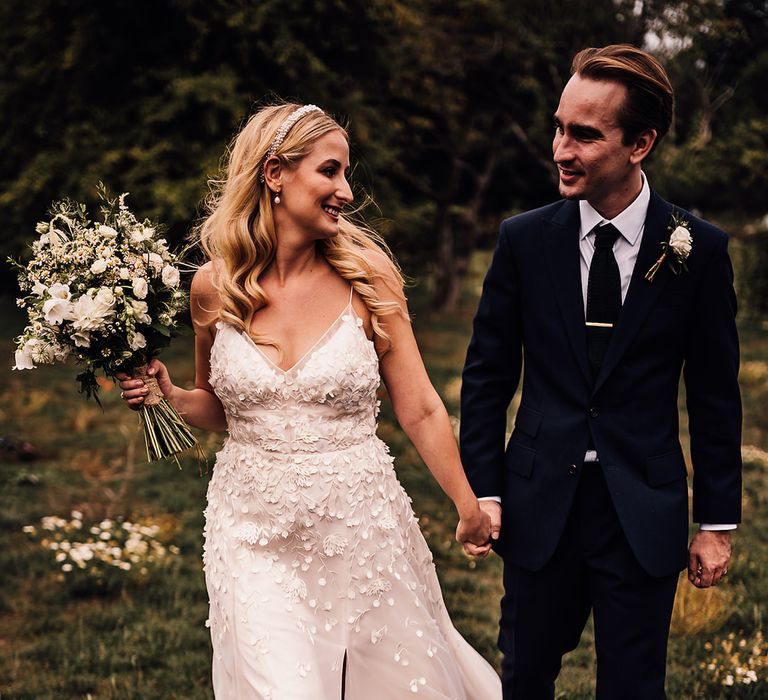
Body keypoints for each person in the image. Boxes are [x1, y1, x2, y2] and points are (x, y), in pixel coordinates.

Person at [118, 102, 502, 699]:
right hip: (251, 531)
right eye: (330, 172)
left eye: (346, 174)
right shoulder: (212, 288)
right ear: (275, 173)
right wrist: (168, 396)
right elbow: (220, 411)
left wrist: (466, 503)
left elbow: (421, 406)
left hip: (360, 529)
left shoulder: (368, 276)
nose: (346, 191)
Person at [460, 44, 742, 699]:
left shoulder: (697, 250)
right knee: (525, 675)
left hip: (641, 506)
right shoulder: (524, 240)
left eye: (584, 135)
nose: (560, 149)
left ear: (640, 142)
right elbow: (486, 375)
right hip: (537, 504)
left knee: (634, 686)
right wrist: (486, 491)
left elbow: (714, 394)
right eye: (559, 128)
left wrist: (717, 523)